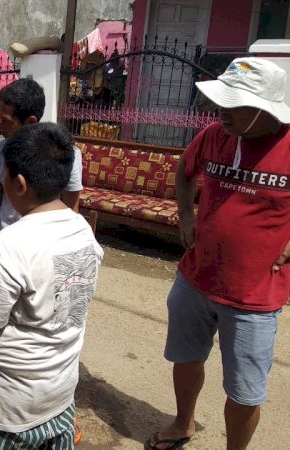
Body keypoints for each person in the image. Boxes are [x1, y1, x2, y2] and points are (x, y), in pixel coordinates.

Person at [146, 57, 290, 450]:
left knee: (245, 389)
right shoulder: (214, 136)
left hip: (253, 296)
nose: (220, 111)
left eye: (233, 104)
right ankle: (183, 424)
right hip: (196, 278)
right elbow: (184, 169)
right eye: (220, 101)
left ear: (265, 107)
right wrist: (185, 215)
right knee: (186, 357)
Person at [0, 122, 104, 449]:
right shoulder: (83, 232)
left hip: (0, 411)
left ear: (18, 184)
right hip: (57, 399)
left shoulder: (9, 247)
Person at [0, 78, 84, 246]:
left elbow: (71, 209)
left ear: (30, 122)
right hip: (5, 244)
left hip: (45, 247)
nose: (0, 127)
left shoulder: (64, 154)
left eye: (6, 121)